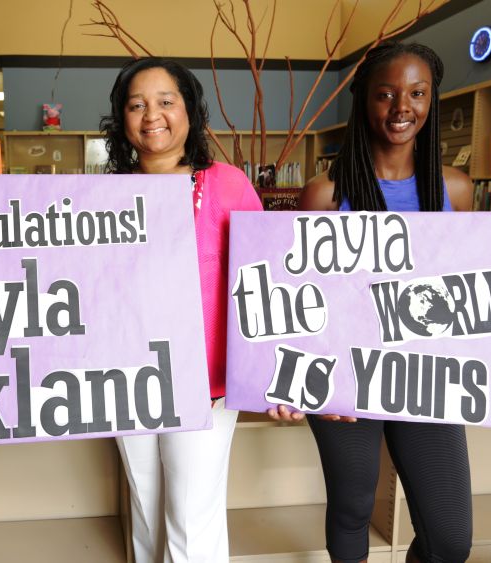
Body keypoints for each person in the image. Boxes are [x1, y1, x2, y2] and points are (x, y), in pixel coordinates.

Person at [268, 41, 491, 563]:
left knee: (450, 538)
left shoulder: (454, 189)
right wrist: (295, 378)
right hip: (345, 374)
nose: (402, 108)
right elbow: (298, 294)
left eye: (417, 93)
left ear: (432, 99)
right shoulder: (323, 194)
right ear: (364, 101)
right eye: (386, 94)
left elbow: (469, 281)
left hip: (430, 372)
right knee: (351, 507)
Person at [101, 57, 304, 563]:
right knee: (146, 512)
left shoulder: (227, 184)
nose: (153, 115)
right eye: (137, 104)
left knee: (192, 520)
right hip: (126, 377)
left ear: (189, 111)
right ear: (120, 119)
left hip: (205, 384)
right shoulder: (101, 196)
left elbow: (266, 280)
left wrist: (276, 371)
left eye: (167, 102)